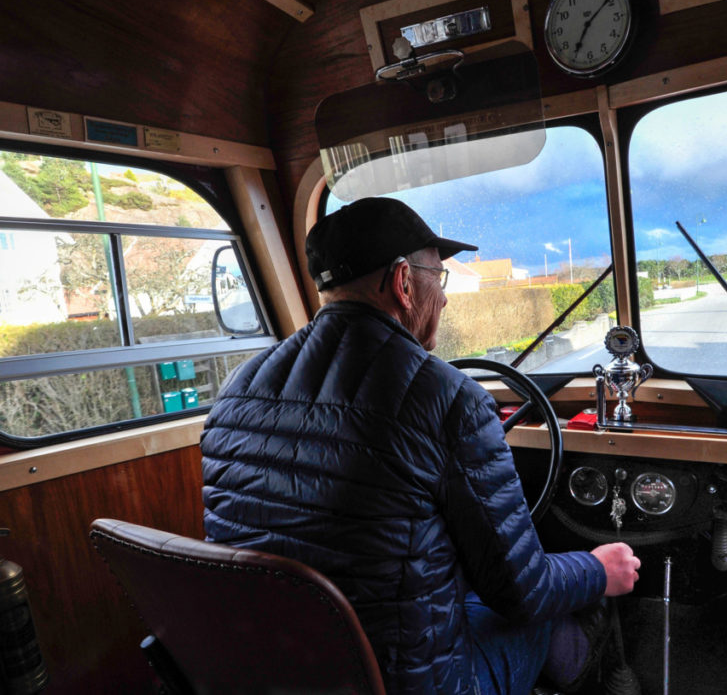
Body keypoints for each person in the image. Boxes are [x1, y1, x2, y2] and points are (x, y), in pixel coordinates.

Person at [201, 197, 641, 694]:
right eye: (439, 277)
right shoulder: (450, 399)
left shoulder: (238, 386)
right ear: (403, 283)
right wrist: (597, 569)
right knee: (574, 599)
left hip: (276, 669)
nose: (446, 298)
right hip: (411, 683)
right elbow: (523, 590)